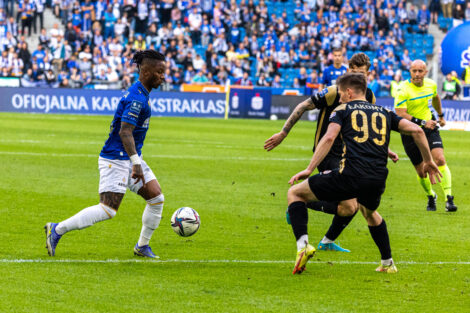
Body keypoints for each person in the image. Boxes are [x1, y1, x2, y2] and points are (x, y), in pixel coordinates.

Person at [286, 72, 441, 274]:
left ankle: (303, 246)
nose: (339, 97)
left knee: (295, 193)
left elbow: (329, 137)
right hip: (377, 178)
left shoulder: (342, 110)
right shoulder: (384, 112)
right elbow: (418, 131)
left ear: (349, 92)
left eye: (341, 93)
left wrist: (309, 168)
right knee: (369, 213)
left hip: (349, 175)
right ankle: (388, 263)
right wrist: (428, 160)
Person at [264, 53, 399, 253]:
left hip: (352, 154)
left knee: (350, 206)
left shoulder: (369, 96)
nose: (358, 77)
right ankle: (299, 203)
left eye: (362, 74)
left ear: (368, 74)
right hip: (327, 153)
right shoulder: (334, 92)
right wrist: (284, 132)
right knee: (353, 204)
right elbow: (303, 106)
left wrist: (385, 150)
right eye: (354, 72)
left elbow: (367, 129)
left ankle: (324, 238)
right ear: (348, 71)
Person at [45, 50, 167, 258]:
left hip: (130, 158)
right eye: (159, 72)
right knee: (108, 209)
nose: (163, 76)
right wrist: (136, 162)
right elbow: (124, 131)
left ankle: (142, 246)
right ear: (146, 72)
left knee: (156, 199)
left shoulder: (141, 94)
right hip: (117, 159)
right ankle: (56, 229)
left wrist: (135, 160)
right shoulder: (137, 99)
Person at [394, 60, 457, 212]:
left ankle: (449, 198)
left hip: (430, 127)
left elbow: (435, 98)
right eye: (414, 71)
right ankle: (430, 196)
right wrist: (422, 122)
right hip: (410, 131)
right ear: (409, 71)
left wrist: (440, 116)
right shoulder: (402, 89)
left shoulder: (431, 85)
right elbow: (400, 113)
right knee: (421, 171)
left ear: (425, 72)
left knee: (440, 159)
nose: (417, 74)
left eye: (420, 71)